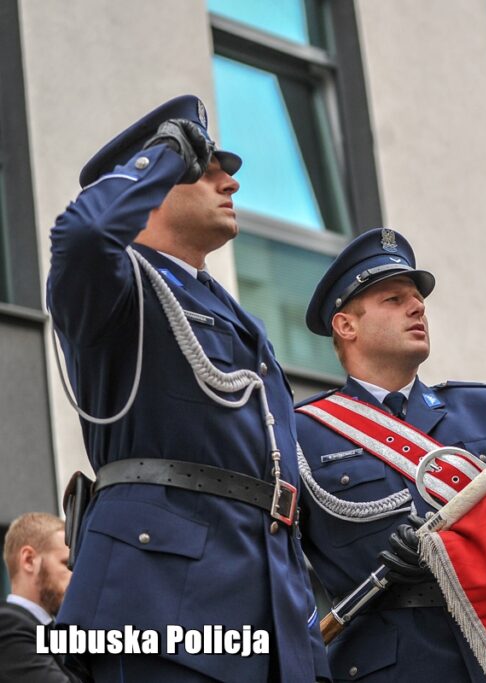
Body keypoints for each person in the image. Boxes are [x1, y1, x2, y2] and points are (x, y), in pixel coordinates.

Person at [48, 95, 328, 682]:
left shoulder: (231, 312)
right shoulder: (117, 287)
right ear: (150, 188)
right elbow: (82, 234)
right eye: (206, 168)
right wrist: (166, 152)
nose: (230, 181)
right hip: (161, 602)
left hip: (262, 616)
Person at [294, 228, 486, 681]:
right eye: (393, 299)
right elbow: (278, 570)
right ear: (346, 326)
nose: (417, 306)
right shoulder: (302, 433)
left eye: (416, 298)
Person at [0, 513, 80, 682]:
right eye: (66, 563)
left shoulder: (50, 630)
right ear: (29, 560)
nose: (77, 577)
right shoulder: (7, 625)